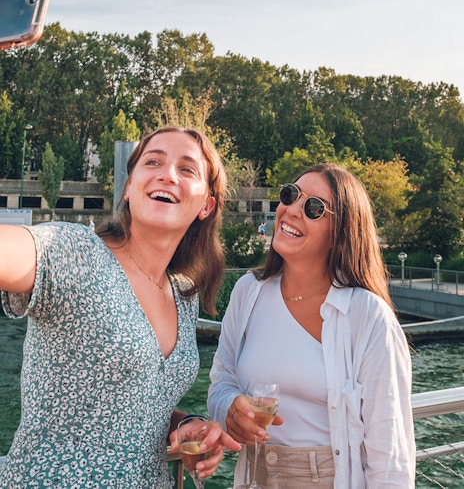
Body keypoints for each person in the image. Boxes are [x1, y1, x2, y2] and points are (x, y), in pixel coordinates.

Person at [0, 125, 240, 488]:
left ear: (207, 204)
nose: (166, 174)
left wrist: (188, 424)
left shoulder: (183, 294)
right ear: (129, 187)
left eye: (187, 169)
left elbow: (138, 404)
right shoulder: (75, 252)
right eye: (153, 162)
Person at [208, 162, 415, 488]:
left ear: (341, 232)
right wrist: (230, 411)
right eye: (290, 195)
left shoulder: (368, 317)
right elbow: (221, 384)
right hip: (255, 477)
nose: (291, 210)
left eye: (313, 208)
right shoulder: (248, 292)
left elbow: (389, 454)